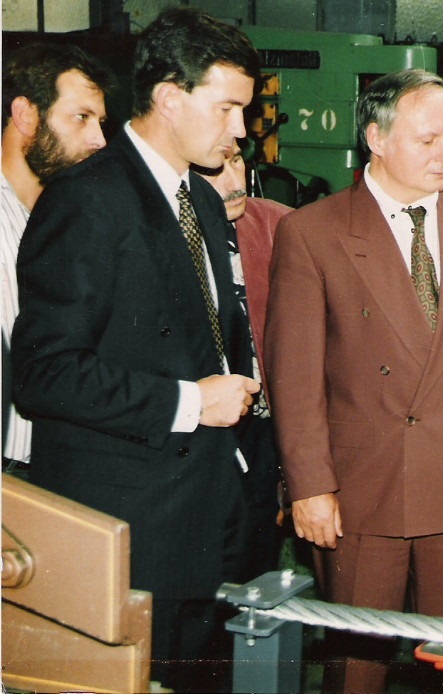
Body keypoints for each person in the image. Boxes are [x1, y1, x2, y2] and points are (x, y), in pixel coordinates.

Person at [265, 68, 443, 693]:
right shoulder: (314, 232)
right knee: (355, 671)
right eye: (428, 140)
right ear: (376, 138)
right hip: (362, 493)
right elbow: (295, 377)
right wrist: (310, 486)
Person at [11, 8, 261, 690]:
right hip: (128, 534)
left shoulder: (204, 203)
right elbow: (42, 374)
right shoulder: (86, 200)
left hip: (208, 519)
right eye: (229, 108)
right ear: (171, 96)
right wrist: (188, 403)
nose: (241, 130)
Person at [1, 42, 113, 479]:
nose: (99, 139)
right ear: (26, 114)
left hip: (55, 469)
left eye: (101, 121)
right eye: (81, 117)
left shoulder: (75, 221)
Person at [194, 142, 292, 578]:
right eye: (216, 171)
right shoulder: (171, 232)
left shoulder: (278, 224)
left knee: (256, 556)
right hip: (198, 421)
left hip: (262, 421)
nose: (234, 183)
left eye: (237, 162)